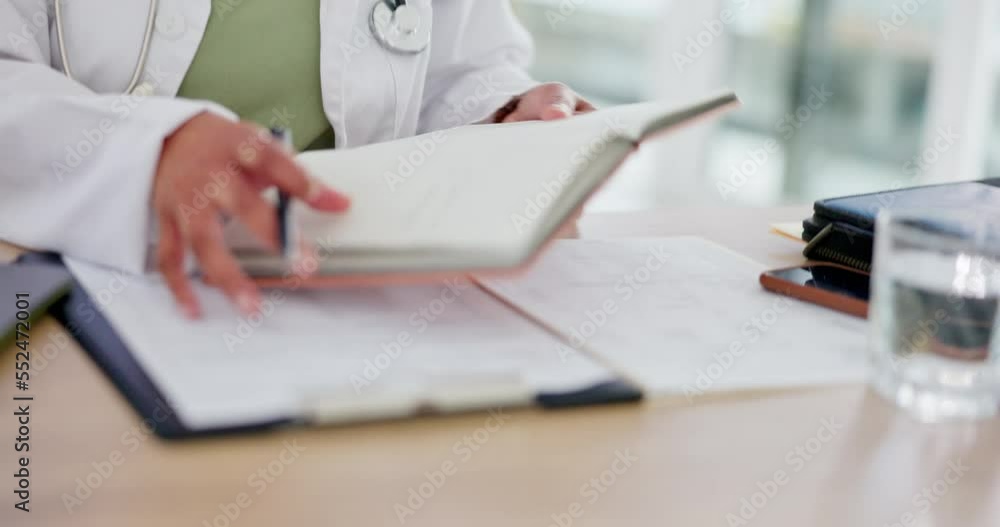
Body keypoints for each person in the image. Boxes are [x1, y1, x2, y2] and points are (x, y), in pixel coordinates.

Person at [0, 0, 594, 318]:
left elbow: (460, 65)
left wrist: (503, 116)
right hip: (90, 283)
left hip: (347, 302)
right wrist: (150, 148)